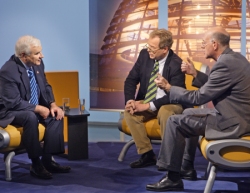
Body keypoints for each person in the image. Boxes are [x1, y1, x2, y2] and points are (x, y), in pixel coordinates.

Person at [145, 26, 250, 191]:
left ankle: (172, 177)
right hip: (237, 116)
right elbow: (216, 85)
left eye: (204, 43)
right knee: (188, 112)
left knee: (175, 121)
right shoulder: (235, 58)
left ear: (214, 44)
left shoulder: (224, 64)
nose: (202, 46)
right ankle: (186, 166)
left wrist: (169, 87)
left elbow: (199, 97)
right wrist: (195, 74)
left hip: (233, 123)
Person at [0, 35, 71, 179]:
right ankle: (36, 163)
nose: (41, 56)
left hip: (29, 106)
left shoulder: (38, 64)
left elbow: (45, 86)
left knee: (56, 115)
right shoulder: (8, 71)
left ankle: (48, 160)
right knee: (30, 116)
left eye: (41, 52)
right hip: (11, 111)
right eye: (37, 53)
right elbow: (13, 102)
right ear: (24, 55)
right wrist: (38, 108)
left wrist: (52, 104)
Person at [124, 29, 186, 169]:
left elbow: (175, 94)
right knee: (130, 111)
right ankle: (147, 154)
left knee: (165, 113)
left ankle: (169, 158)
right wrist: (130, 100)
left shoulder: (176, 64)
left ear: (165, 49)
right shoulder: (144, 55)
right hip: (149, 100)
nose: (148, 50)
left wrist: (148, 106)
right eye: (148, 46)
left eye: (152, 48)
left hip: (170, 102)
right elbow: (130, 80)